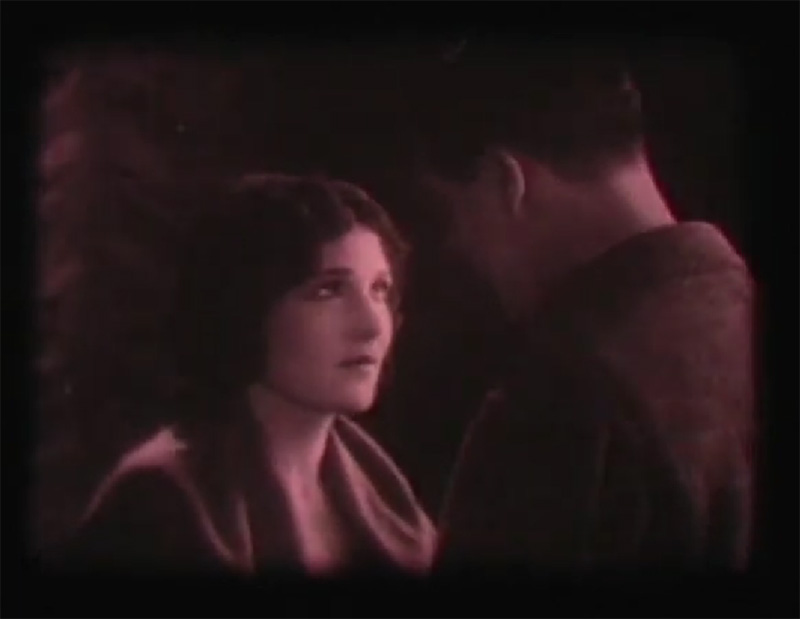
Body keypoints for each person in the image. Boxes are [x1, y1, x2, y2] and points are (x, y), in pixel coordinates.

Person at [407, 38, 755, 569]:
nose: (461, 246)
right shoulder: (741, 308)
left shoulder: (562, 396)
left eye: (456, 214)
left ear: (507, 180)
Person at [44, 173, 436, 576]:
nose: (372, 325)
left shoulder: (380, 487)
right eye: (328, 290)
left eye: (379, 290)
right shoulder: (161, 498)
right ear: (247, 310)